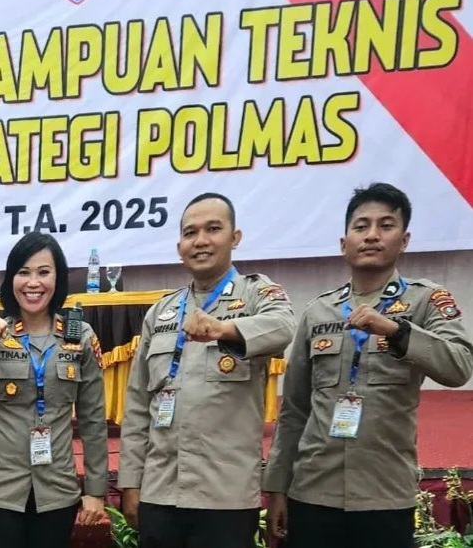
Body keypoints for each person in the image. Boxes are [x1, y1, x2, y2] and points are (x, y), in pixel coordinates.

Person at [263, 183, 473, 548]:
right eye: (361, 226)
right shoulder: (319, 311)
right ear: (343, 243)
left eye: (385, 225)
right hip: (313, 490)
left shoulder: (426, 301)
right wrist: (278, 487)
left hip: (384, 493)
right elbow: (294, 410)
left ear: (404, 240)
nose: (372, 235)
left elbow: (459, 366)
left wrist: (396, 331)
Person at [118, 193, 297, 548]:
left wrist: (226, 330)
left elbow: (284, 327)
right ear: (179, 247)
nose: (200, 241)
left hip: (225, 496)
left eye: (213, 229)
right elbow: (137, 406)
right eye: (190, 233)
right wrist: (131, 482)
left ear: (235, 237)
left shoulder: (257, 293)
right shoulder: (162, 312)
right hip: (160, 490)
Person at [0, 232, 109, 548]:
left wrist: (95, 489)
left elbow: (93, 419)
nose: (33, 282)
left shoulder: (80, 336)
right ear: (11, 279)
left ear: (58, 279)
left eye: (43, 272)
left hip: (57, 489)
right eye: (23, 272)